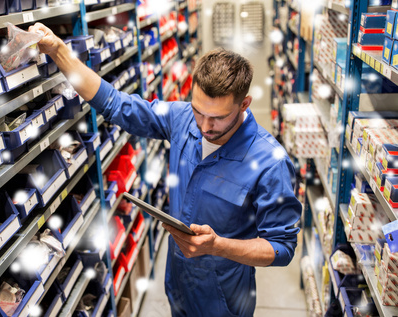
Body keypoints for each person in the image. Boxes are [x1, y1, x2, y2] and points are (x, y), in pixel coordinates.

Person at [29, 22, 302, 317]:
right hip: (179, 282)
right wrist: (58, 50)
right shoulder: (182, 117)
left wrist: (218, 246)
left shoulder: (269, 160)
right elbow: (114, 103)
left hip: (223, 297)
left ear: (244, 103)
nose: (204, 126)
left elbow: (281, 248)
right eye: (199, 111)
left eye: (218, 118)